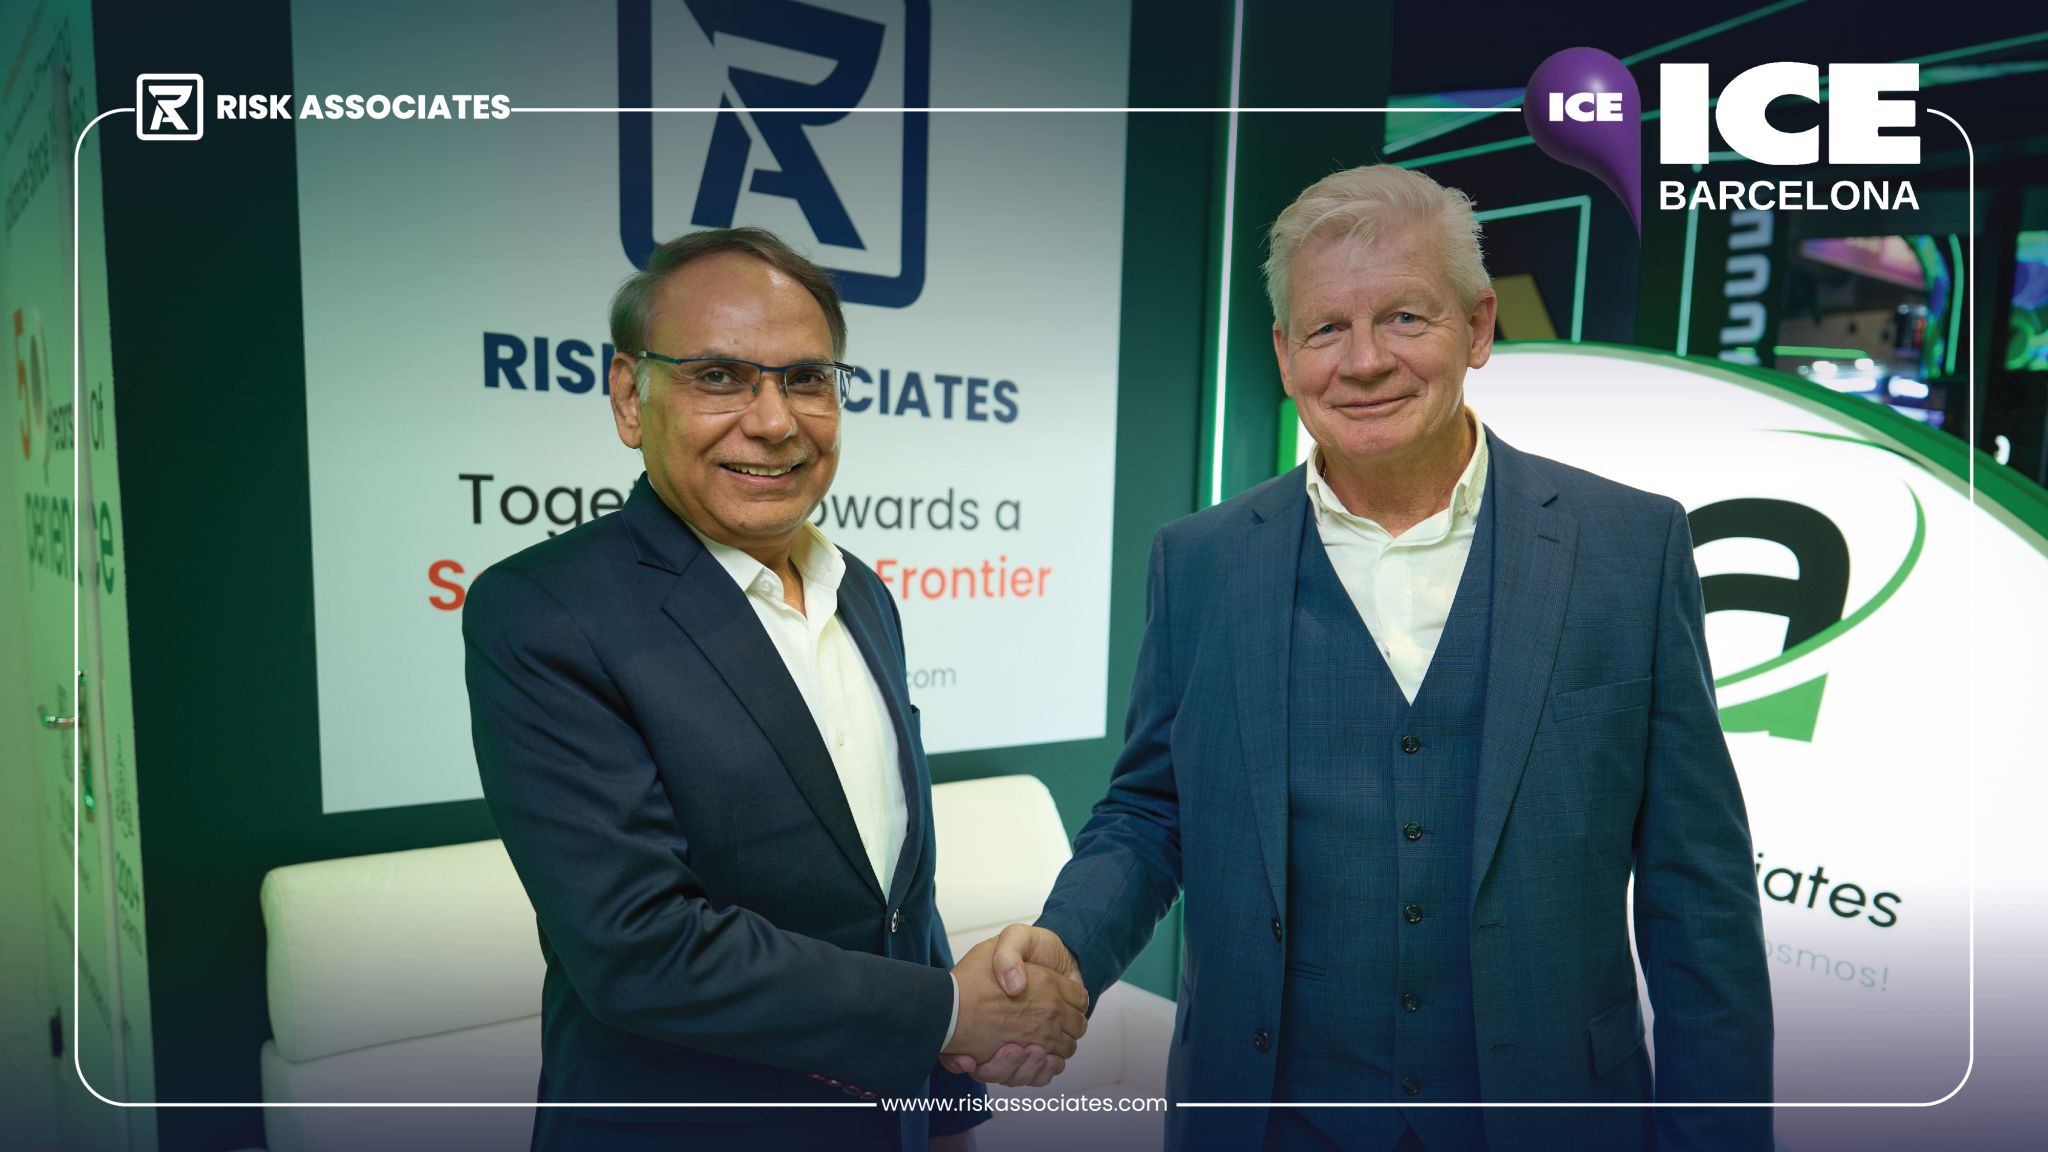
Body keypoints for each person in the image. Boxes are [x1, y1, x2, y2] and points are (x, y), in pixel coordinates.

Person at [956, 166, 1774, 1150]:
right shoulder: (1199, 561)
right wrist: (1068, 948)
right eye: (1325, 330)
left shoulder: (1628, 547)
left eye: (1403, 318)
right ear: (1282, 353)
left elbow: (1699, 892)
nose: (1364, 361)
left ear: (1478, 327)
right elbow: (1150, 808)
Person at [464, 226, 1085, 1152]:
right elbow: (639, 948)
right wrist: (950, 1014)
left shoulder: (860, 593)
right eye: (719, 376)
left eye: (805, 378)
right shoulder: (544, 610)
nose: (774, 421)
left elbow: (892, 900)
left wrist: (949, 1109)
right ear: (631, 398)